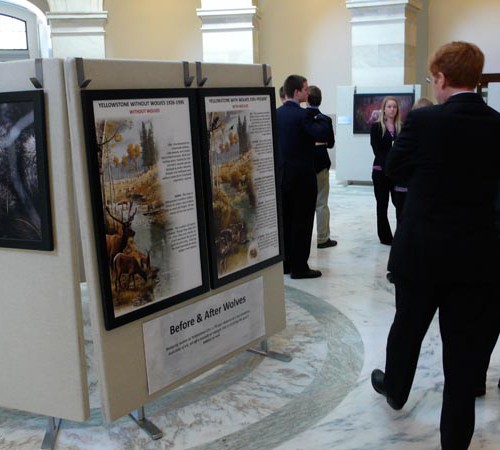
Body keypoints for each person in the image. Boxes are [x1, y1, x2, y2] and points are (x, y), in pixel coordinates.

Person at [371, 41, 500, 450]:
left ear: (441, 79)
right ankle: (455, 443)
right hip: (477, 257)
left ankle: (395, 390)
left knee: (407, 327)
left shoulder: (425, 123)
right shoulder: (498, 124)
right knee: (463, 358)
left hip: (422, 252)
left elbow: (394, 168)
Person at [276, 75, 331, 279]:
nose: (308, 93)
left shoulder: (276, 114)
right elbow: (323, 134)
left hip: (282, 178)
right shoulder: (304, 115)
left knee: (286, 221)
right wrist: (314, 112)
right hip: (303, 179)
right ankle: (300, 267)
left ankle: (286, 263)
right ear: (297, 92)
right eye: (306, 89)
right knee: (302, 222)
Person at [391, 97, 434, 223]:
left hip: (416, 188)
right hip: (408, 187)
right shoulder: (407, 133)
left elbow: (394, 164)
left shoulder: (407, 134)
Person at [306, 85, 337, 249]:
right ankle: (323, 238)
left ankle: (304, 240)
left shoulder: (302, 117)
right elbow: (330, 144)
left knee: (304, 204)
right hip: (322, 163)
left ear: (306, 98)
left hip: (305, 164)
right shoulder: (326, 119)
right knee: (321, 203)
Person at [370, 96, 401, 245]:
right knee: (382, 205)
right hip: (381, 171)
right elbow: (377, 150)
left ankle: (401, 233)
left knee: (399, 203)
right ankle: (385, 237)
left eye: (394, 107)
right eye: (389, 107)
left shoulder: (401, 127)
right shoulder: (376, 127)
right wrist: (388, 166)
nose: (392, 109)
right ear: (384, 109)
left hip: (396, 173)